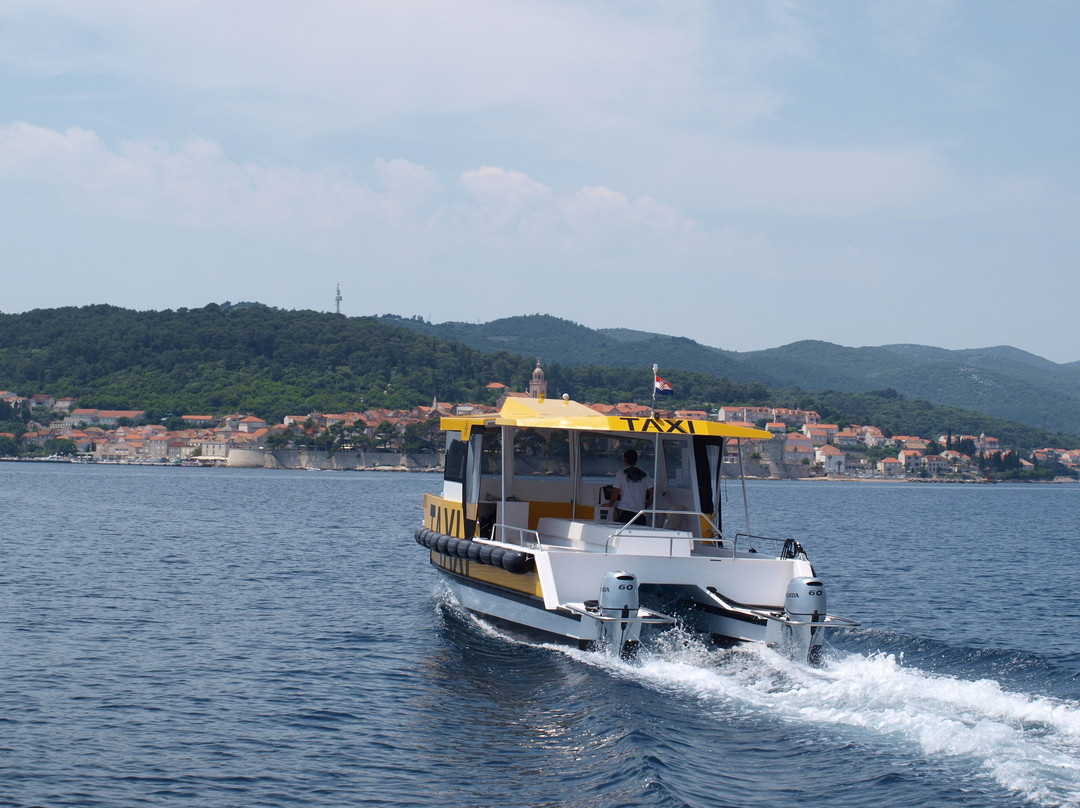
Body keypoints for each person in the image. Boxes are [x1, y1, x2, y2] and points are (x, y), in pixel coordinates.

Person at [605, 449, 653, 525]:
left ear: (625, 460)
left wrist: (610, 504)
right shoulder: (645, 475)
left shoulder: (620, 474)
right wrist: (649, 503)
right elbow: (652, 491)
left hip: (623, 512)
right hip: (640, 513)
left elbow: (615, 493)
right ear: (636, 460)